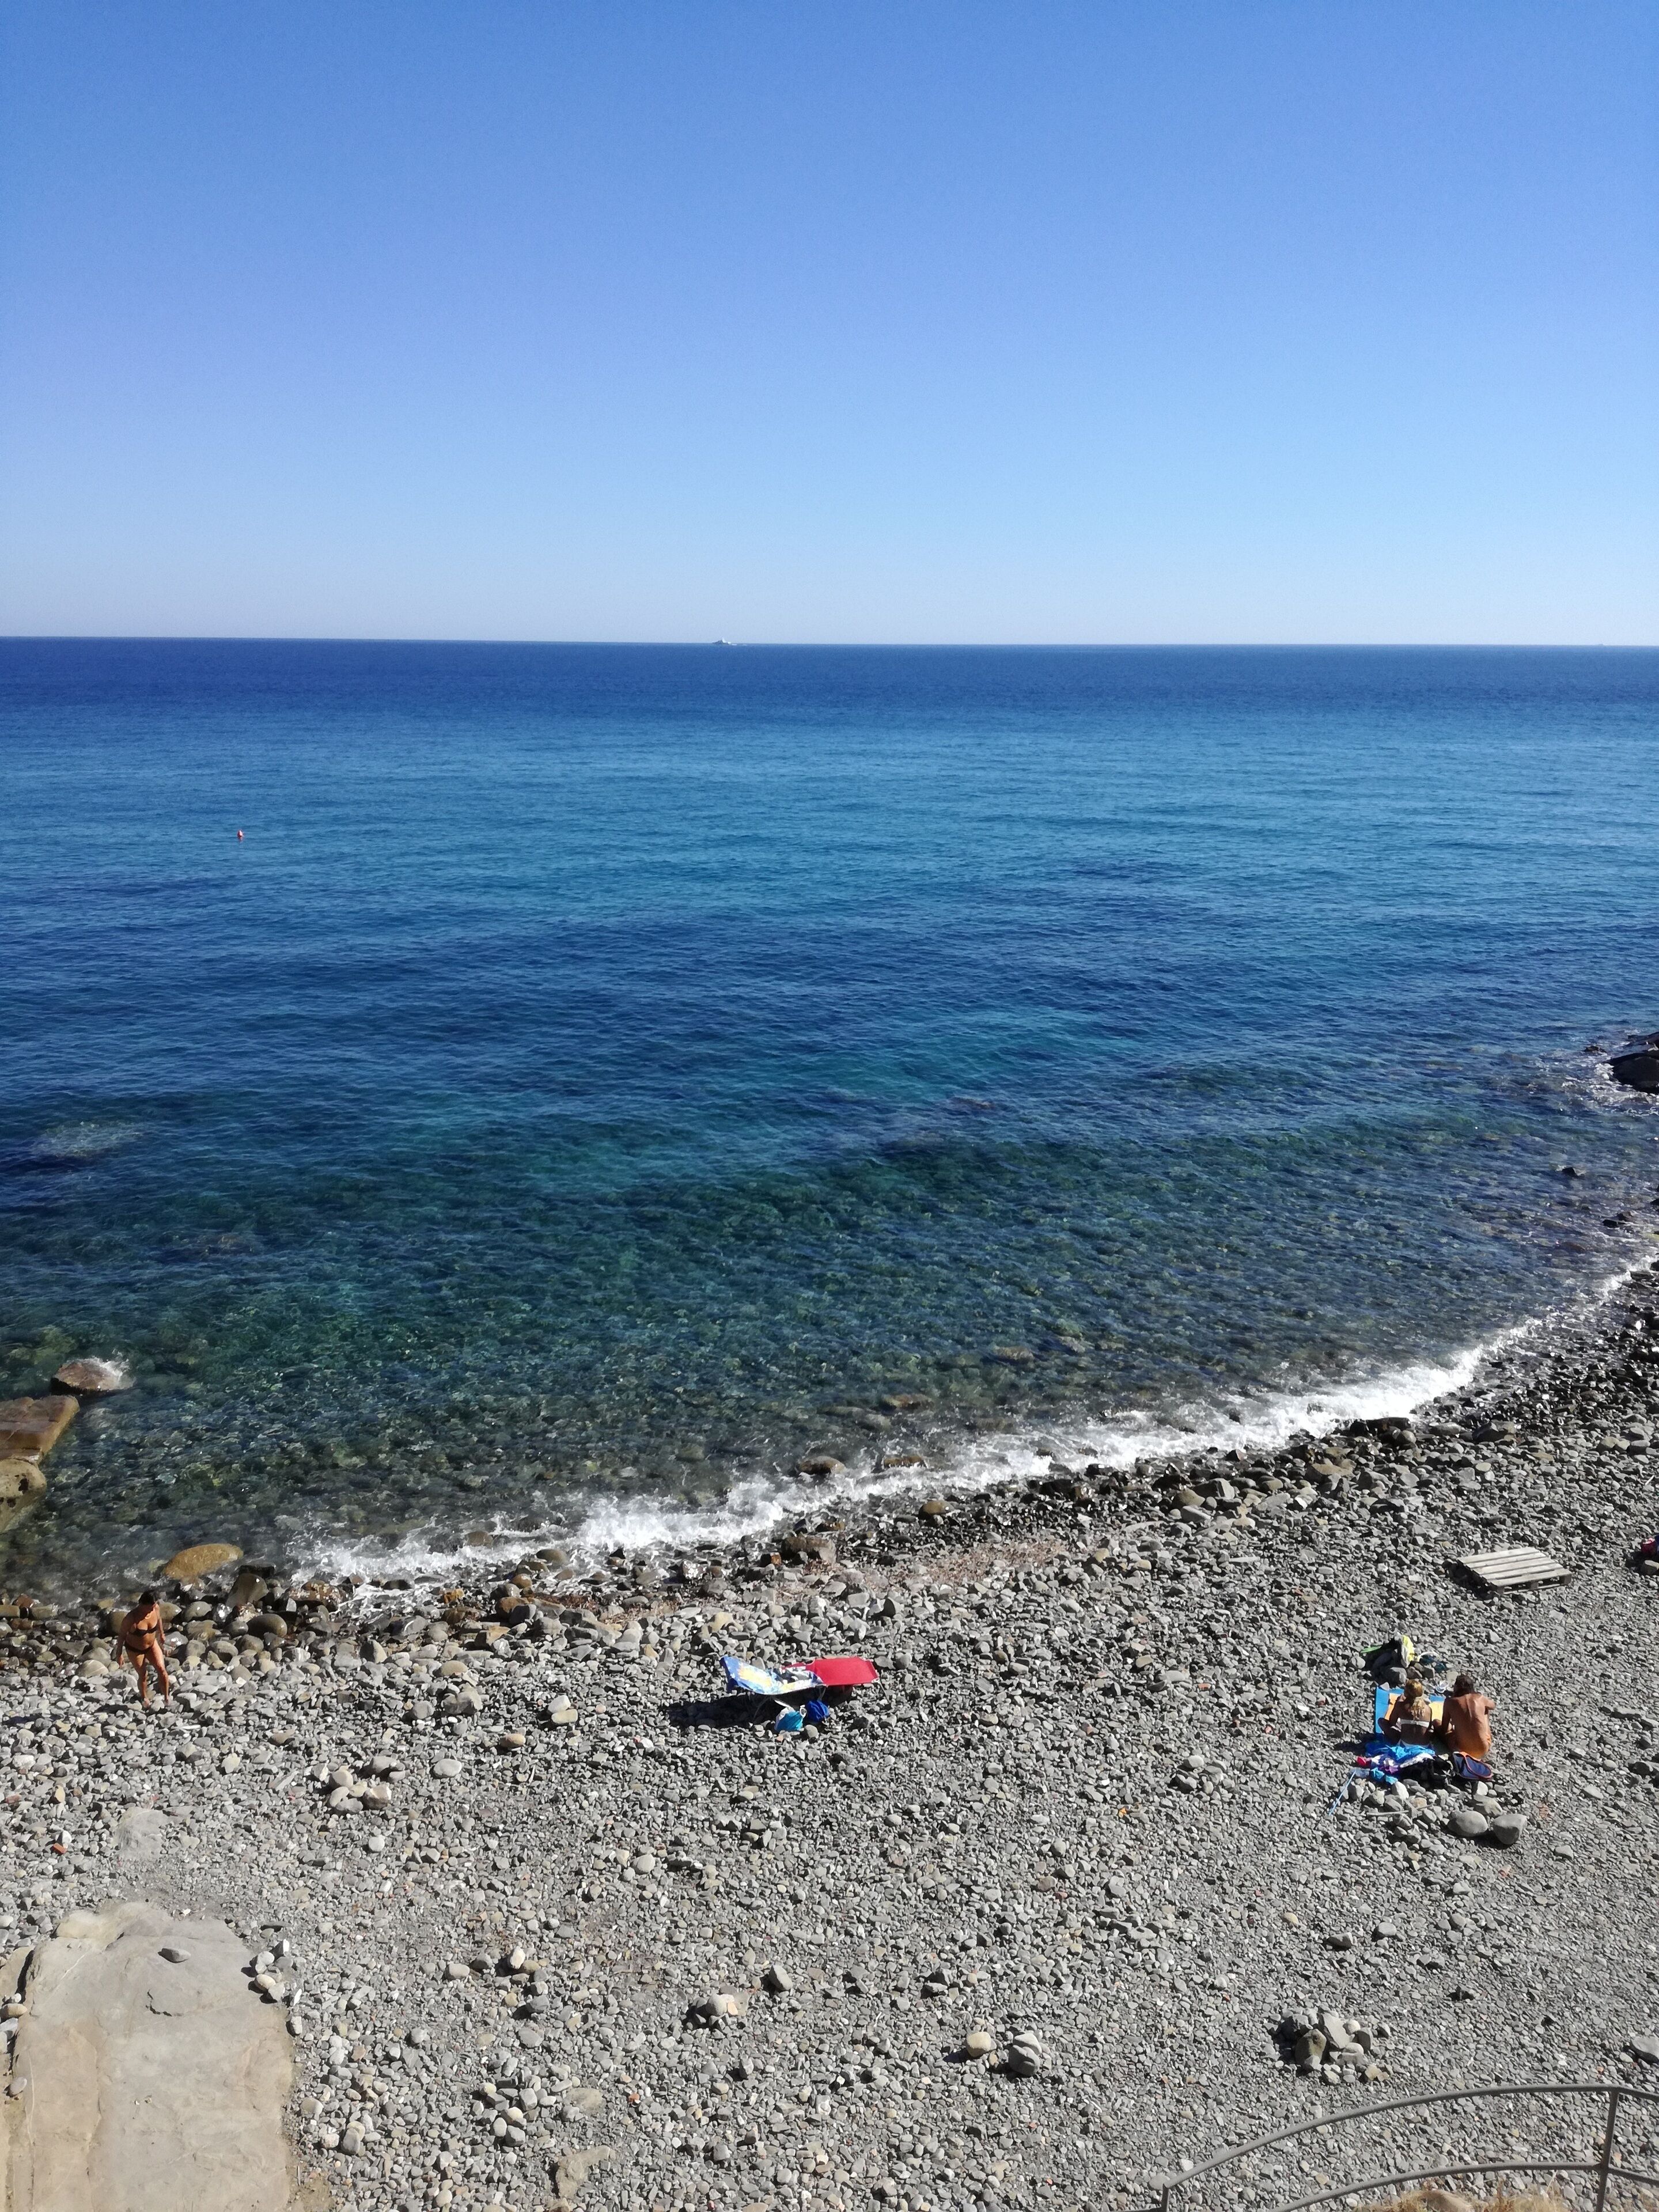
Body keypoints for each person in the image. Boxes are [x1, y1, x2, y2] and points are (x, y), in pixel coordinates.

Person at [116, 1590, 171, 1709]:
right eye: (149, 1608)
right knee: (143, 1675)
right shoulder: (131, 1618)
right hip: (135, 1650)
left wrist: (162, 1633)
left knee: (162, 1670)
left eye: (153, 1606)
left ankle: (167, 1698)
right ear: (142, 1604)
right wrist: (119, 1654)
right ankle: (144, 1698)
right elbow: (121, 1636)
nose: (152, 1610)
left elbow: (159, 1619)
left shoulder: (155, 1608)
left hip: (152, 1645)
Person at [1437, 1672, 1494, 1760]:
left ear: (1456, 1688)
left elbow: (1444, 1728)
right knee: (1485, 1711)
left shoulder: (1450, 1702)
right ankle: (1483, 1737)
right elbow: (1493, 1705)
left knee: (1436, 1723)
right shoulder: (1480, 1698)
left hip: (1461, 1750)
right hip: (1484, 1749)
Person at [1390, 1675, 1435, 1742]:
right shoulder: (1429, 1709)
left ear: (1406, 1693)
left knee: (1382, 1722)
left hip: (1406, 1743)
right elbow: (1429, 1728)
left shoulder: (1400, 1706)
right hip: (1424, 1745)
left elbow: (1392, 1722)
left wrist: (1398, 1702)